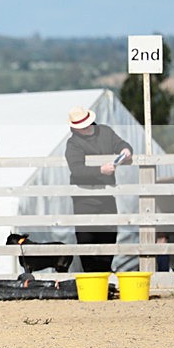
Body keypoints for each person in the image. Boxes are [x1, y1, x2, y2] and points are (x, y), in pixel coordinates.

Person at [65, 106, 132, 272]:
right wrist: (100, 170)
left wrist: (126, 150)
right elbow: (77, 170)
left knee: (109, 236)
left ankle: (105, 274)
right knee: (86, 241)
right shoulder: (73, 143)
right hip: (84, 199)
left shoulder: (106, 132)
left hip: (107, 196)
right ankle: (92, 277)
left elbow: (121, 144)